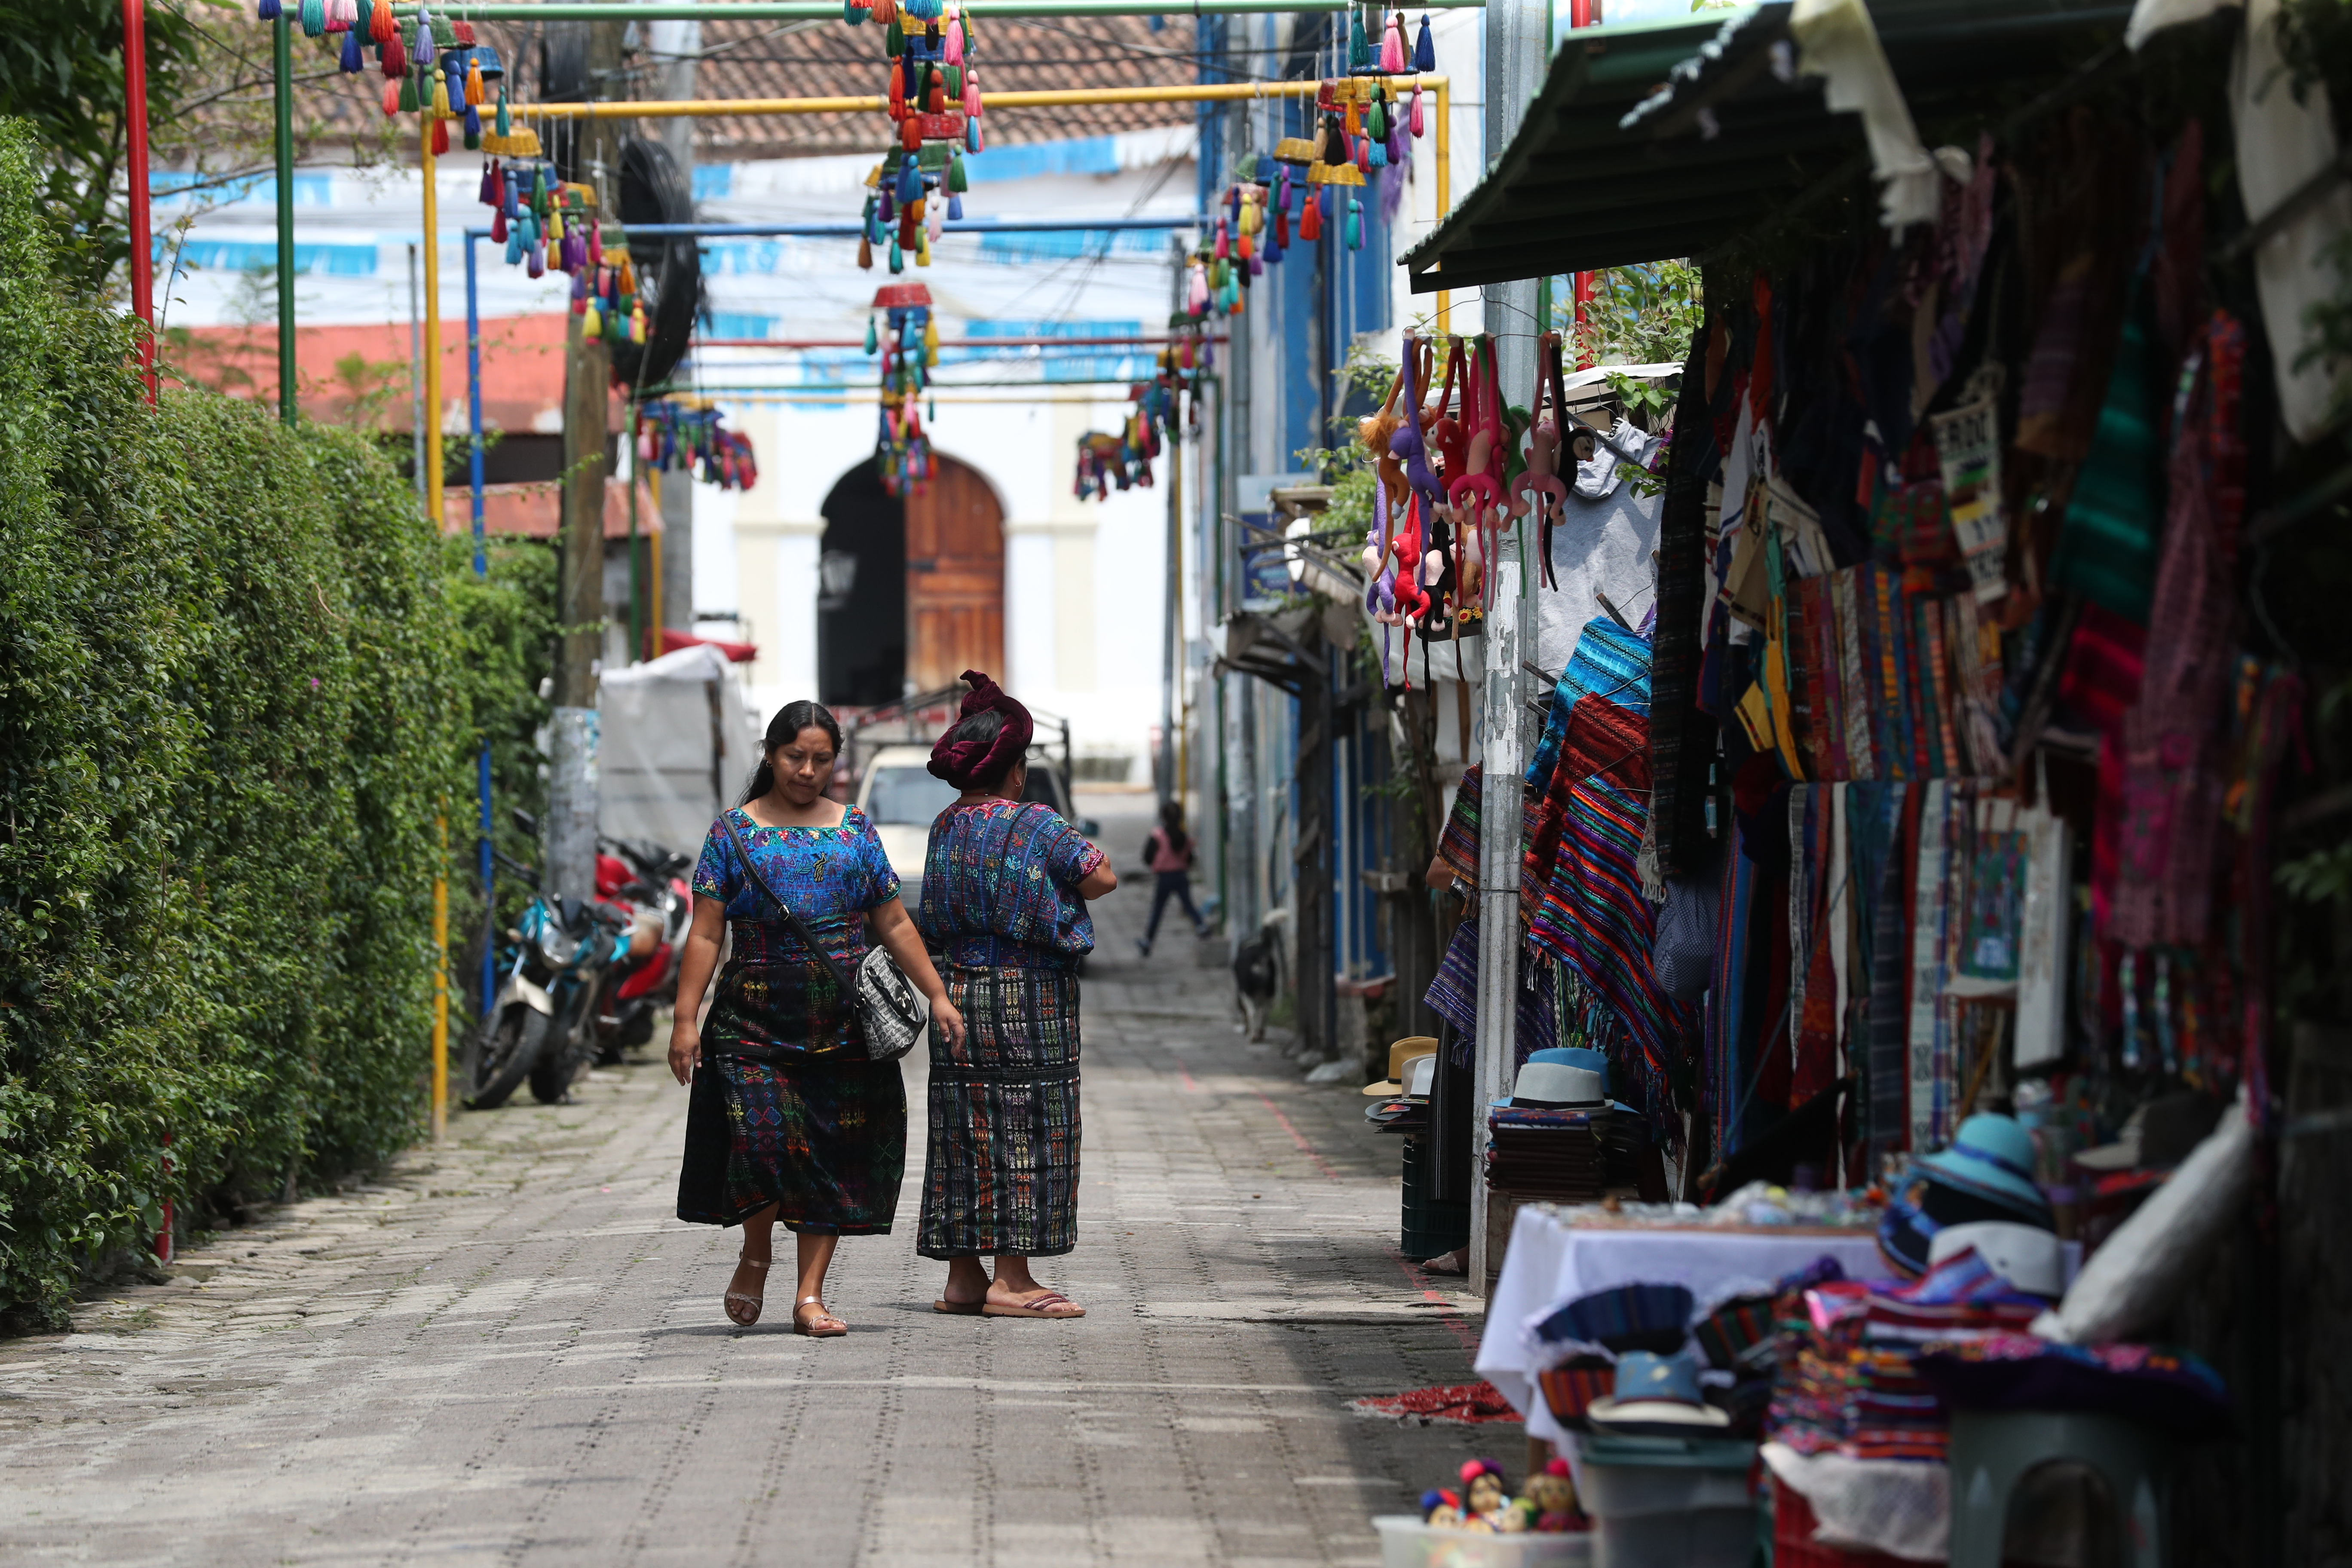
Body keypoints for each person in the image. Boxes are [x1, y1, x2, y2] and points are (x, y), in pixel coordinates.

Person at [669, 699, 965, 1337]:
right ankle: (755, 1252)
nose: (807, 770)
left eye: (821, 759)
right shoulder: (732, 834)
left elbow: (890, 919)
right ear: (770, 756)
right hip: (750, 1024)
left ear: (837, 762)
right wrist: (685, 1020)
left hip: (842, 1026)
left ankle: (810, 1296)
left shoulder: (855, 830)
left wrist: (937, 994)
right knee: (762, 1146)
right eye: (794, 757)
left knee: (830, 1153)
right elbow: (704, 935)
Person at [915, 671, 1117, 1318]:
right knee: (1027, 1128)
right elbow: (1103, 877)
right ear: (1015, 771)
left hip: (958, 996)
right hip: (1030, 998)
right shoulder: (1036, 822)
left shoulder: (945, 825)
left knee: (963, 1129)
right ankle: (1014, 1281)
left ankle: (964, 1279)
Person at [1134, 799, 1210, 957]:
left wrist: (1157, 863)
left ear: (1163, 817)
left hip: (1164, 878)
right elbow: (1190, 859)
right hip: (1181, 876)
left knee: (1158, 910)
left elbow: (1147, 857)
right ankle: (1201, 926)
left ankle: (1148, 941)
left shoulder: (1158, 835)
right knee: (1188, 905)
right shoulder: (1184, 836)